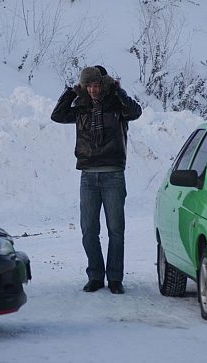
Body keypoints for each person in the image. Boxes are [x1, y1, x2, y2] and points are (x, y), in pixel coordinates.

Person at [51, 66, 142, 294]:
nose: (93, 90)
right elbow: (57, 115)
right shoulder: (81, 107)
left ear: (105, 84)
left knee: (116, 230)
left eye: (97, 85)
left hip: (113, 174)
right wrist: (72, 93)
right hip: (88, 175)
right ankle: (95, 275)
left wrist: (119, 92)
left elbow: (136, 112)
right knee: (89, 229)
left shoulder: (116, 105)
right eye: (88, 85)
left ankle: (114, 278)